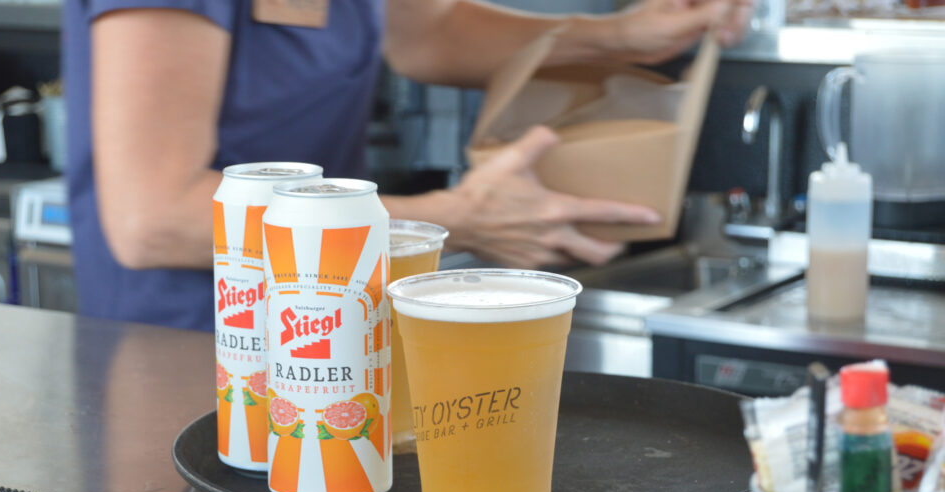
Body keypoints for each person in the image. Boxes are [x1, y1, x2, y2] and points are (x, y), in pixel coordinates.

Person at [63, 0, 751, 331]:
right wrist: (454, 219)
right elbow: (154, 217)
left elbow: (429, 34)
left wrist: (623, 35)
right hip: (191, 346)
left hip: (326, 319)